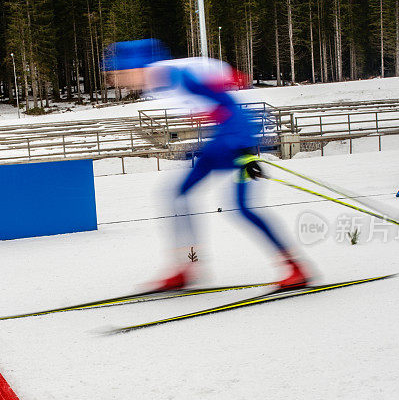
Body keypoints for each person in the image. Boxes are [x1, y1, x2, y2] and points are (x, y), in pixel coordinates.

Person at [103, 39, 310, 291]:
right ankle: (188, 266)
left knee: (242, 208)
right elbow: (215, 99)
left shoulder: (173, 76)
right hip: (224, 139)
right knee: (178, 196)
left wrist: (246, 152)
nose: (117, 80)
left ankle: (295, 268)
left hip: (239, 140)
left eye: (119, 73)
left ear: (136, 67)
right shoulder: (158, 82)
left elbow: (228, 103)